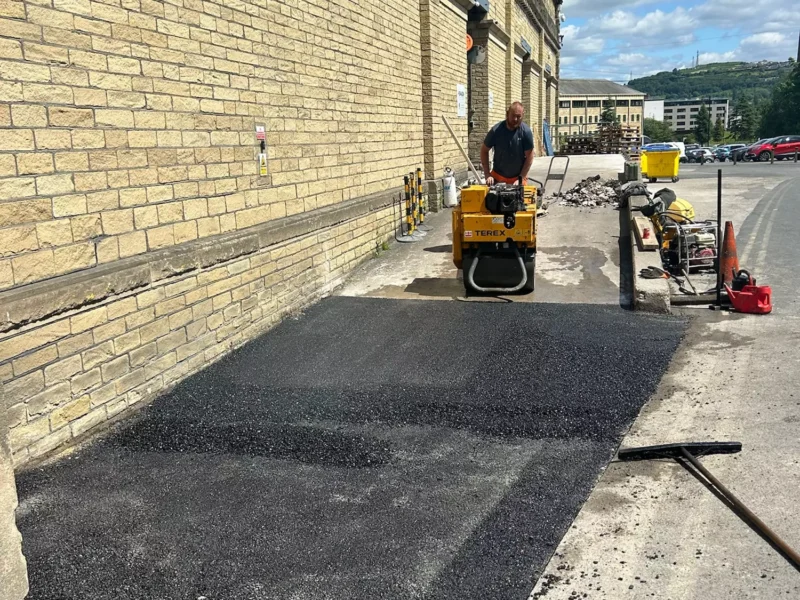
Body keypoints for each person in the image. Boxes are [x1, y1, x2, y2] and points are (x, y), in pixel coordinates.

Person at [480, 101, 534, 186]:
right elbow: (484, 151)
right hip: (497, 177)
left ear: (523, 116)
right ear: (507, 113)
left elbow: (530, 157)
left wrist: (521, 177)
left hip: (518, 178)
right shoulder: (496, 131)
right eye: (513, 115)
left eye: (518, 116)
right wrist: (487, 174)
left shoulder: (526, 132)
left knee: (521, 198)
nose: (515, 119)